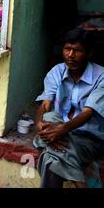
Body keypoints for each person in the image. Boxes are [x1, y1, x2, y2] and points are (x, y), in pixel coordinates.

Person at [34, 28, 104, 188]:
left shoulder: (101, 77)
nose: (70, 55)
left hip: (89, 139)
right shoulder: (57, 71)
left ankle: (79, 182)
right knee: (49, 118)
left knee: (50, 160)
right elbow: (45, 104)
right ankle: (80, 182)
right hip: (57, 133)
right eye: (67, 49)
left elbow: (88, 112)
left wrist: (63, 129)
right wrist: (39, 125)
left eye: (77, 50)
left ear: (89, 53)